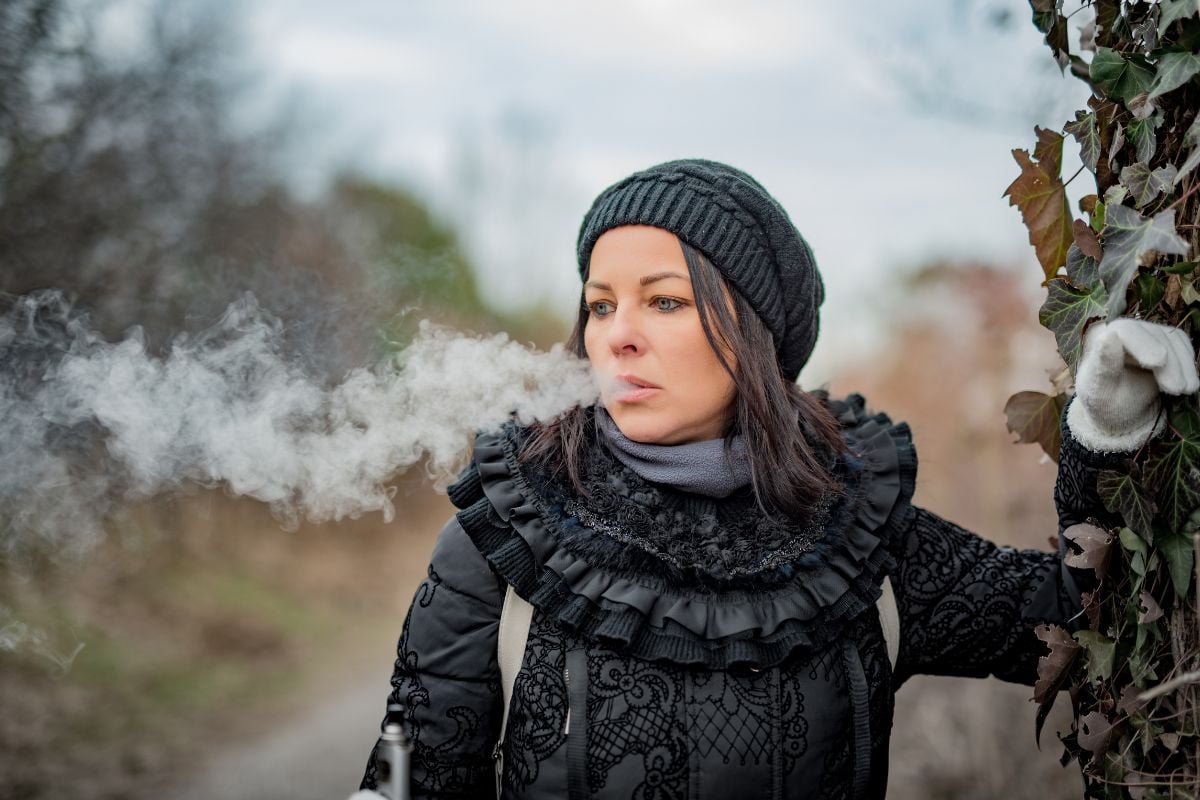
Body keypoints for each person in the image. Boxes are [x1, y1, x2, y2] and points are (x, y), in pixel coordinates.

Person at [354, 159, 1199, 800]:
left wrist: (1107, 436)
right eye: (601, 304)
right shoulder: (503, 540)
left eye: (664, 301)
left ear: (751, 332)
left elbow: (1082, 630)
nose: (616, 336)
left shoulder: (855, 542)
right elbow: (405, 784)